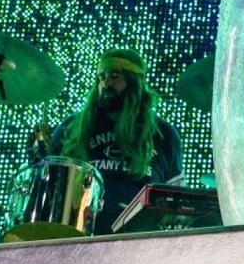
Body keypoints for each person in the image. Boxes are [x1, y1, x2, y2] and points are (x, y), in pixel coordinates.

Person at [45, 48, 181, 234]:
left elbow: (174, 200)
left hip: (138, 237)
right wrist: (39, 157)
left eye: (115, 76)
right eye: (101, 77)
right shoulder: (72, 128)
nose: (106, 83)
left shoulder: (163, 134)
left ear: (135, 82)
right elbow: (51, 187)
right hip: (77, 232)